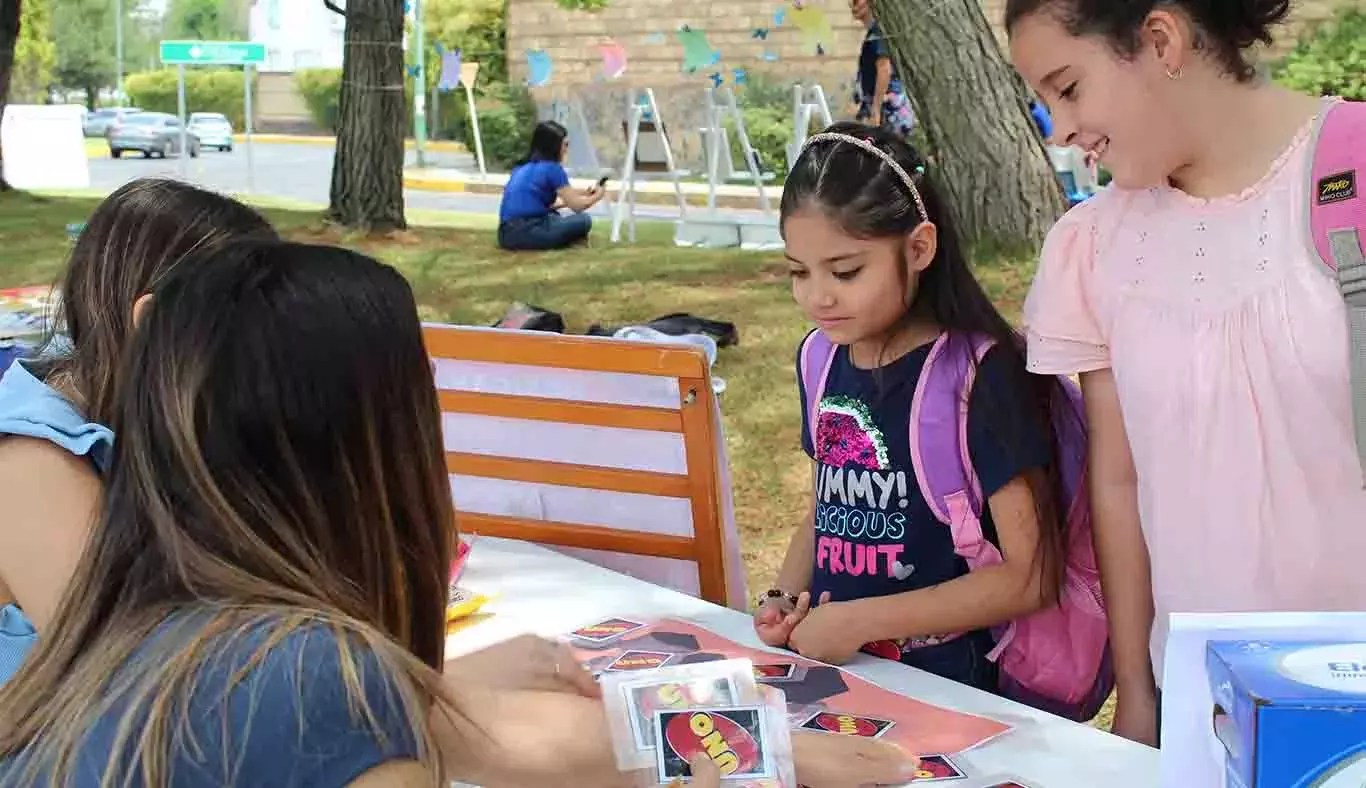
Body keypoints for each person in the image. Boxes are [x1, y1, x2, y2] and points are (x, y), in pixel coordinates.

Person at [0, 239, 921, 788]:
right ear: (361, 449)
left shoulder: (130, 631)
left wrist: (781, 752)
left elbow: (525, 738)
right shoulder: (312, 676)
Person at [1006, 0, 1366, 745]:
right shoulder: (1092, 245)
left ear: (1160, 38)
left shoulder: (1354, 171)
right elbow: (1119, 481)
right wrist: (1139, 690)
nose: (1060, 130)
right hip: (1203, 708)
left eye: (1067, 88)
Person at [753, 123, 1070, 693]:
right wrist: (782, 595)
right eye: (798, 271)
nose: (818, 295)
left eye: (846, 271)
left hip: (947, 689)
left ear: (919, 248)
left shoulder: (977, 375)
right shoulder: (820, 358)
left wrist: (861, 621)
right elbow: (829, 502)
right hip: (836, 671)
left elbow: (1031, 577)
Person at [0, 178, 278, 686]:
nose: (261, 353)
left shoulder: (135, 420)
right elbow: (134, 676)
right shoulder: (31, 463)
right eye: (244, 324)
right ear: (151, 320)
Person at [497, 121, 604, 251]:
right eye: (565, 144)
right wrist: (598, 196)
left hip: (505, 235)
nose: (566, 149)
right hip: (529, 231)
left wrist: (583, 194)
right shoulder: (553, 169)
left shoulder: (521, 168)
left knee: (553, 215)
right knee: (583, 220)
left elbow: (539, 204)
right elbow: (577, 207)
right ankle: (566, 240)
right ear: (554, 146)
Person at [849, 0, 915, 139]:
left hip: (888, 108)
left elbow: (884, 69)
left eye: (856, 1)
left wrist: (876, 111)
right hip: (884, 105)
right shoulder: (874, 32)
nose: (851, 4)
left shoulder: (878, 33)